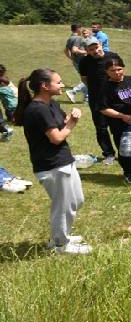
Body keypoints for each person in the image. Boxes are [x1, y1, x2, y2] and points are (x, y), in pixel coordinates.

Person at [14, 69, 91, 254]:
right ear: (45, 86)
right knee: (63, 206)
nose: (63, 85)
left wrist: (71, 117)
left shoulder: (51, 104)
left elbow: (61, 122)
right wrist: (72, 124)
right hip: (52, 165)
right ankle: (60, 245)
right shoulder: (37, 109)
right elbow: (56, 137)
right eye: (59, 82)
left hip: (64, 160)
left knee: (76, 201)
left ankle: (60, 235)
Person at [78, 37, 121, 164]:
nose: (95, 51)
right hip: (96, 99)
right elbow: (84, 79)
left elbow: (120, 74)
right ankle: (109, 154)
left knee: (117, 126)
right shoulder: (84, 62)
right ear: (86, 51)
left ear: (100, 44)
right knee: (101, 127)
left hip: (114, 97)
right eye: (91, 49)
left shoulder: (113, 56)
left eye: (96, 47)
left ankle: (123, 152)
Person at [64, 24, 88, 103]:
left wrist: (71, 58)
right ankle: (73, 92)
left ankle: (86, 98)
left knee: (86, 80)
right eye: (80, 29)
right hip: (82, 61)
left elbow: (66, 50)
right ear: (78, 29)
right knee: (87, 79)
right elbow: (74, 50)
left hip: (76, 62)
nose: (81, 30)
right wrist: (87, 52)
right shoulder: (78, 38)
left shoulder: (70, 38)